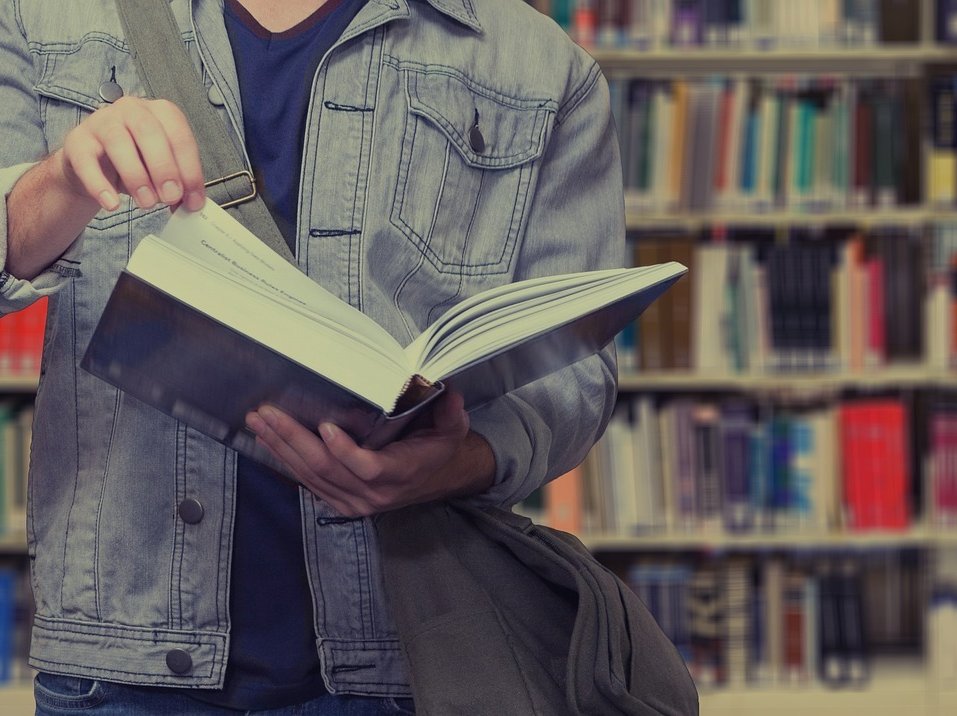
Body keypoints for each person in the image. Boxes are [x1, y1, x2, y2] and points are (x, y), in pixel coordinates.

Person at [0, 0, 623, 711]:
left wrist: (464, 460)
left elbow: (577, 368)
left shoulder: (541, 65)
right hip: (120, 662)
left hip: (405, 656)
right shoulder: (39, 14)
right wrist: (65, 181)